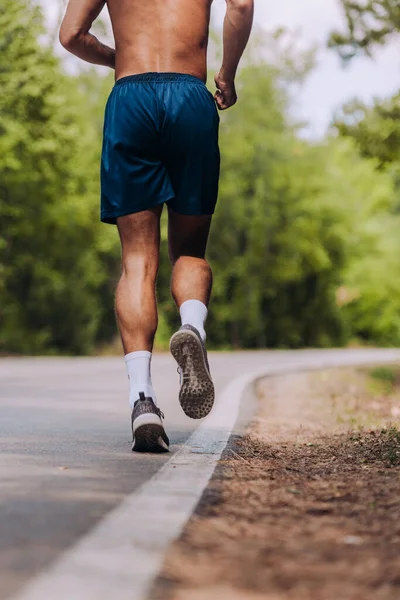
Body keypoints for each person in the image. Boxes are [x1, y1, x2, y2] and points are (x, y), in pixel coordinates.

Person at [59, 0, 254, 453]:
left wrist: (121, 56)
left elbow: (71, 34)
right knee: (189, 251)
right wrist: (226, 72)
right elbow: (240, 5)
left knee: (136, 261)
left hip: (131, 99)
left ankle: (142, 400)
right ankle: (192, 328)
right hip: (190, 97)